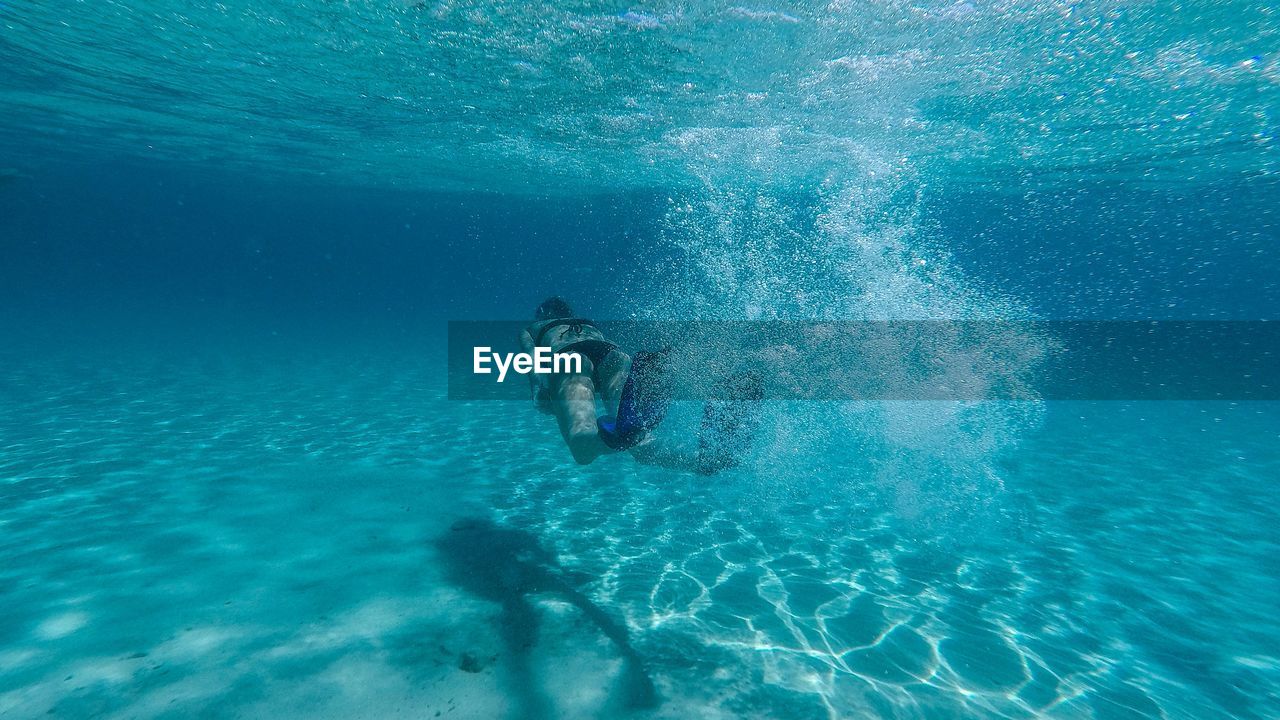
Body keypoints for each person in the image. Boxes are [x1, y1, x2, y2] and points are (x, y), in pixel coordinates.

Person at [521, 296, 763, 474]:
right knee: (640, 444)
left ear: (542, 315)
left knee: (582, 446)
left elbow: (531, 360)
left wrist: (538, 392)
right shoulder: (586, 323)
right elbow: (604, 345)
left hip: (569, 357)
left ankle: (624, 433)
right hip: (612, 356)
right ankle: (703, 462)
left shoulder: (534, 328)